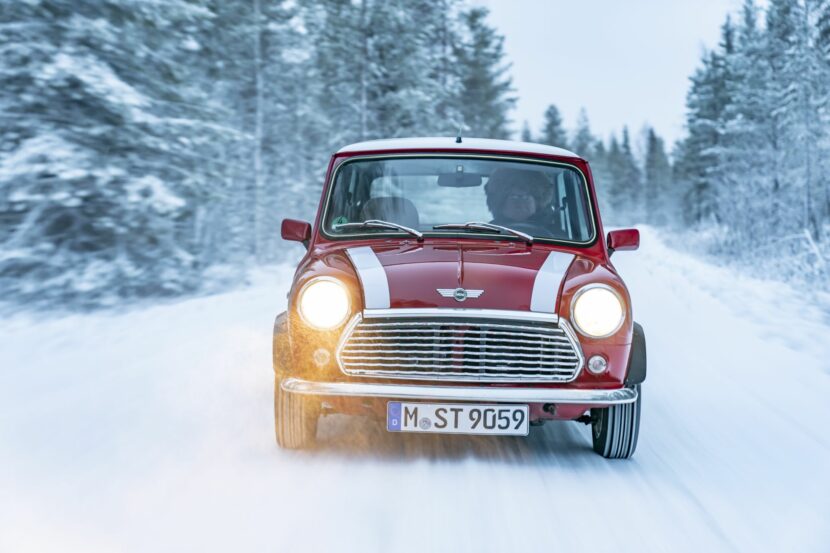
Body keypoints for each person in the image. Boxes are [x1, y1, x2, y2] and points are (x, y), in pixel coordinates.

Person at [484, 168, 554, 229]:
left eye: (526, 196)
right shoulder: (488, 234)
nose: (520, 203)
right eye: (514, 196)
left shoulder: (556, 235)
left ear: (537, 202)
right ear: (500, 202)